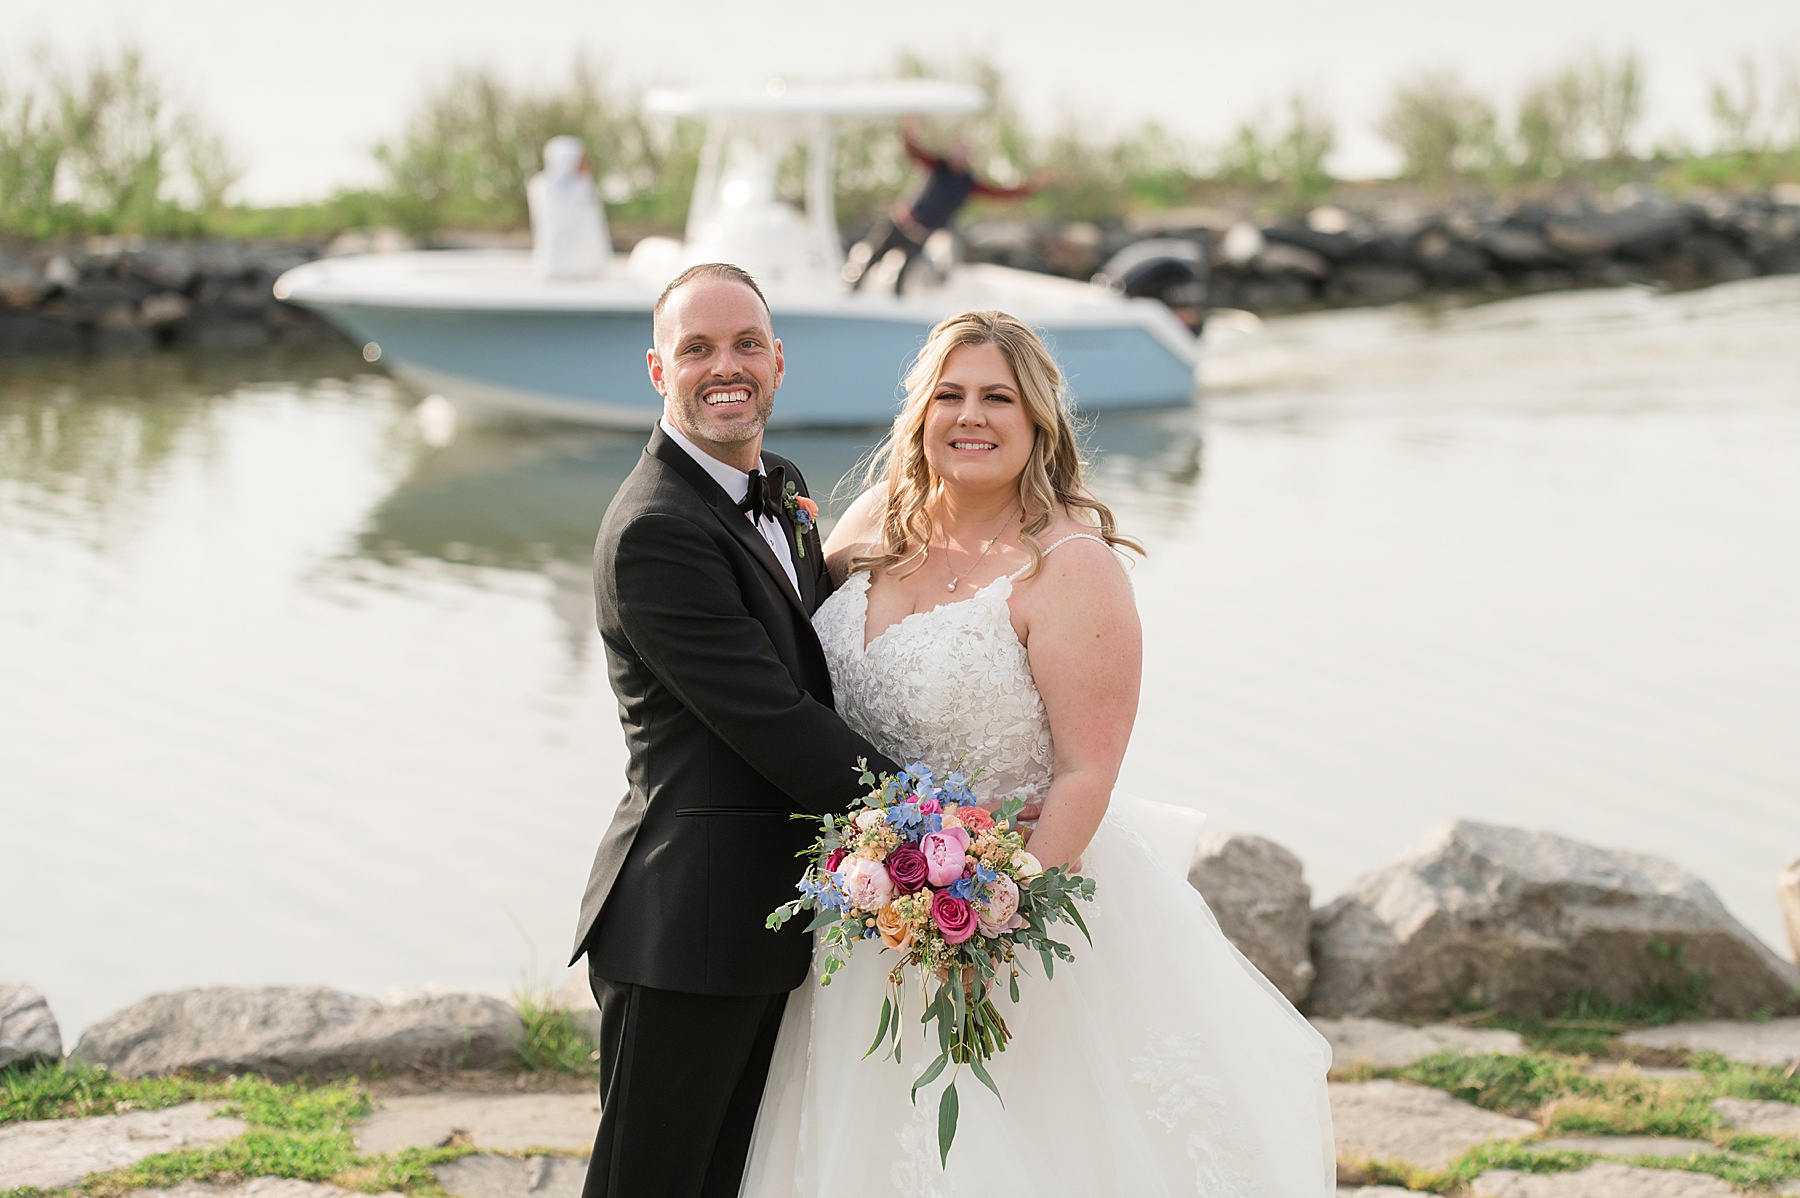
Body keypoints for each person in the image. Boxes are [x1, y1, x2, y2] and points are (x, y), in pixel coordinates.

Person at [738, 311, 1337, 1195]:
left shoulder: (1069, 566)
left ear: (1038, 421)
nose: (970, 416)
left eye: (997, 398)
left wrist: (992, 919)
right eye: (950, 395)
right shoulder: (873, 526)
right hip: (867, 911)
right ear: (920, 412)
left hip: (1010, 905)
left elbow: (1086, 772)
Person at [571, 262, 905, 1198]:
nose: (727, 367)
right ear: (656, 370)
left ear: (779, 360)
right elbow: (777, 719)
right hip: (687, 923)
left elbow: (823, 647)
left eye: (746, 344)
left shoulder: (784, 488)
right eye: (698, 348)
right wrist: (932, 820)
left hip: (773, 916)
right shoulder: (655, 532)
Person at [848, 119, 1049, 295]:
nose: (959, 158)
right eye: (957, 153)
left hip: (921, 234)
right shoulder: (939, 166)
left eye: (964, 155)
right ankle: (852, 294)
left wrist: (1033, 186)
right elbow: (913, 151)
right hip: (901, 224)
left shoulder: (968, 183)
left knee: (904, 274)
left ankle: (896, 303)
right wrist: (908, 130)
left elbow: (1001, 194)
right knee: (874, 258)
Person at [527, 135, 610, 279]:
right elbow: (558, 220)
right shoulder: (542, 186)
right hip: (555, 265)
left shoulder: (585, 185)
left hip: (586, 268)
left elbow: (595, 228)